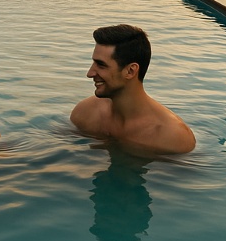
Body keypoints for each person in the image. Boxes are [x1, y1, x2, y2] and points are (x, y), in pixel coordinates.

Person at [71, 24, 195, 156]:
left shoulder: (172, 137)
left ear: (130, 71)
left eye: (101, 65)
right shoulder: (85, 113)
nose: (90, 73)